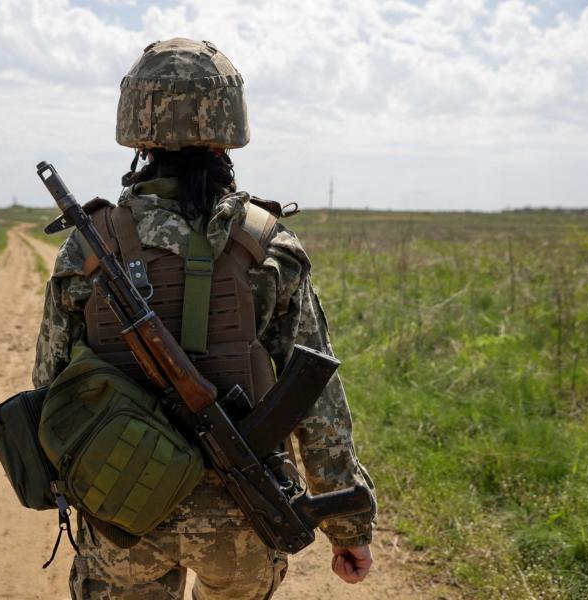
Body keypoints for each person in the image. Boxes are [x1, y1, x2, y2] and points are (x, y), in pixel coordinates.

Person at [33, 37, 376, 600]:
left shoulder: (87, 249)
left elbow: (49, 388)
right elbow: (319, 405)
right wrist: (349, 528)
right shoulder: (269, 246)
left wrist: (76, 491)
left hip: (122, 509)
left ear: (136, 128)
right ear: (229, 126)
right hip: (241, 520)